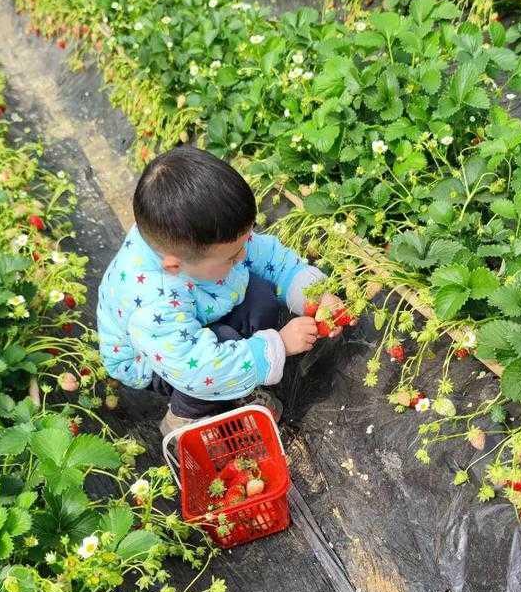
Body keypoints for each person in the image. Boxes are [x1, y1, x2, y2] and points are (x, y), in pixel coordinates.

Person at [97, 146, 345, 437]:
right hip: (159, 360)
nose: (242, 256)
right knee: (221, 346)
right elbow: (199, 369)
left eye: (242, 244)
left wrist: (313, 294)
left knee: (261, 296)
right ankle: (182, 420)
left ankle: (240, 368)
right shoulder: (154, 303)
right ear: (174, 266)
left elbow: (266, 256)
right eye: (230, 257)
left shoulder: (195, 239)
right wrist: (277, 346)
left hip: (193, 309)